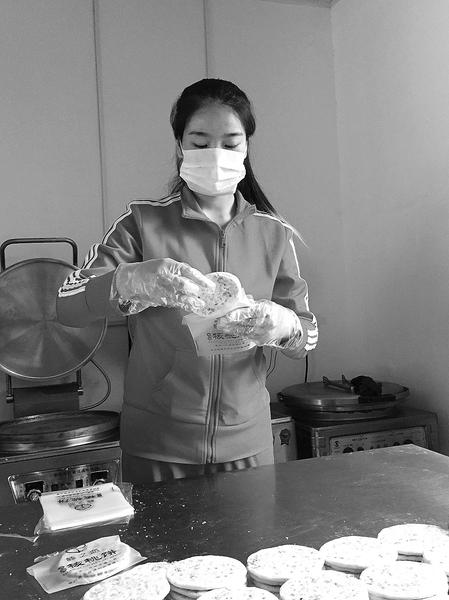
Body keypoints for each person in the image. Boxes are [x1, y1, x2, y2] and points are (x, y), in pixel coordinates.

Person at [57, 78, 318, 483]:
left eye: (230, 143)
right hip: (157, 443)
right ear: (180, 145)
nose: (216, 154)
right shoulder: (141, 223)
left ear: (246, 147)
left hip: (247, 444)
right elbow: (67, 305)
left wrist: (282, 327)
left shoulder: (274, 233)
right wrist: (130, 281)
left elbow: (307, 336)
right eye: (200, 142)